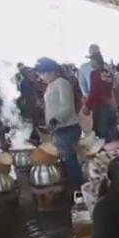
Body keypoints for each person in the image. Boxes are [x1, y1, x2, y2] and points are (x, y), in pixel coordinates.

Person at [33, 57, 83, 189]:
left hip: (68, 128)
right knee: (65, 159)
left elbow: (68, 107)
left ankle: (77, 188)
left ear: (50, 72)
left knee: (70, 159)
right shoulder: (51, 85)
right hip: (60, 128)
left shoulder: (62, 83)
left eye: (42, 73)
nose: (41, 77)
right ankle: (72, 187)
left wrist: (54, 121)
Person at [83, 54, 119, 142]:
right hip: (110, 107)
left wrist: (87, 106)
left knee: (102, 137)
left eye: (91, 60)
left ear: (95, 61)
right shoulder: (108, 73)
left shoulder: (94, 73)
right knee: (113, 134)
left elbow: (94, 91)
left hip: (100, 108)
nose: (90, 63)